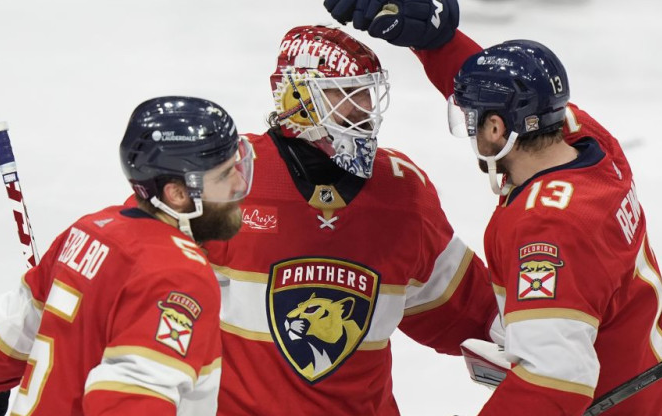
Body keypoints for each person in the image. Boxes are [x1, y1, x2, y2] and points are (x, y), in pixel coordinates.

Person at [325, 0, 662, 415]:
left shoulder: (547, 230)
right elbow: (516, 98)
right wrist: (439, 41)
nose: (470, 129)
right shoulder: (593, 146)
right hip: (643, 390)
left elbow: (554, 383)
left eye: (472, 120)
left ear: (495, 129)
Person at [200, 24, 500, 416]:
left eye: (367, 92)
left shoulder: (402, 192)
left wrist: (548, 339)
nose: (363, 107)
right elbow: (146, 281)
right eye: (344, 92)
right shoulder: (229, 177)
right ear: (297, 95)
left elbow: (467, 309)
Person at [0, 96, 254, 416]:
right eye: (225, 174)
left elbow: (1, 340)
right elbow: (130, 403)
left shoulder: (92, 230)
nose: (240, 181)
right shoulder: (178, 274)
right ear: (179, 194)